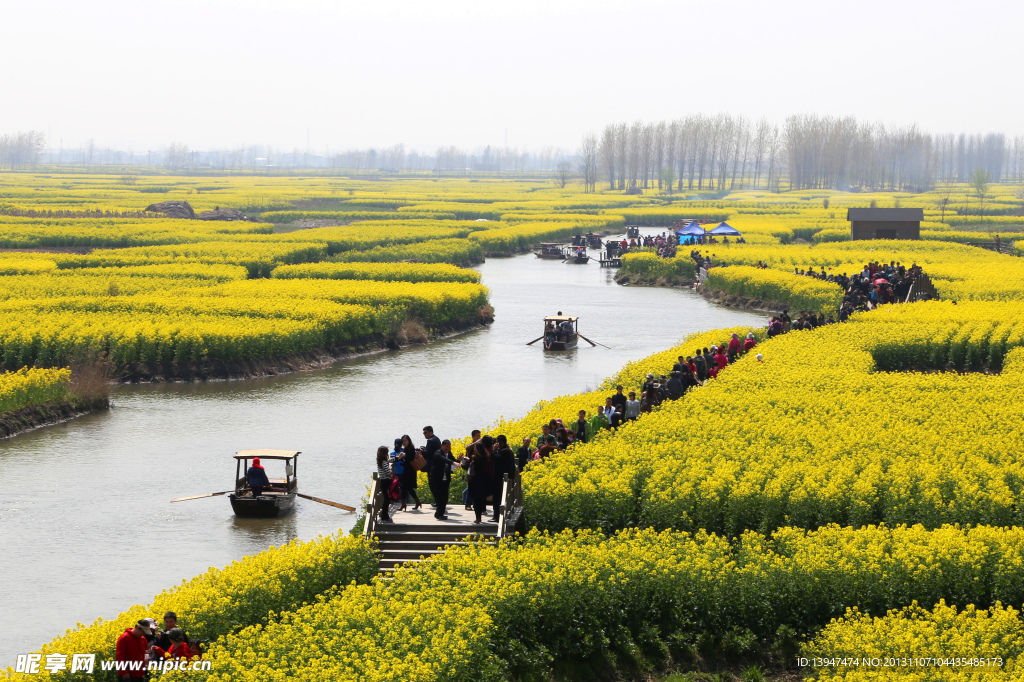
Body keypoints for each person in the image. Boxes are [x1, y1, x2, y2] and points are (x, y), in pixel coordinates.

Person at [464, 436, 494, 523]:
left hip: (475, 481)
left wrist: (464, 461)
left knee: (476, 500)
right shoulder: (486, 456)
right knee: (482, 498)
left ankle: (478, 518)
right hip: (484, 479)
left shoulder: (474, 457)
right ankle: (481, 514)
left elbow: (466, 467)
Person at [428, 439, 459, 520]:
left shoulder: (449, 453)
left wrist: (458, 460)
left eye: (449, 447)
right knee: (439, 498)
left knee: (445, 497)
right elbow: (445, 460)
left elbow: (453, 461)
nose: (448, 448)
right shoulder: (437, 453)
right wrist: (453, 463)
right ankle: (438, 514)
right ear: (442, 446)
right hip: (436, 479)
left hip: (445, 479)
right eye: (446, 446)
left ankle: (440, 513)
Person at [490, 435, 516, 521]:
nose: (496, 444)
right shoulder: (507, 450)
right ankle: (497, 515)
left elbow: (497, 459)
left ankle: (496, 516)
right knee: (500, 497)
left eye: (497, 442)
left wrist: (493, 450)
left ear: (501, 442)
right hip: (503, 478)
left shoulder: (504, 451)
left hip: (500, 479)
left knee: (497, 498)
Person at [398, 434, 422, 512]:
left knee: (407, 487)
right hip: (406, 470)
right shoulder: (405, 448)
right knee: (406, 487)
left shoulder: (411, 448)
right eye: (403, 441)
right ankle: (407, 504)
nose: (404, 442)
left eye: (406, 441)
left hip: (411, 471)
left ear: (409, 441)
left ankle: (406, 504)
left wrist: (403, 456)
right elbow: (405, 459)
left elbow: (410, 458)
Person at [375, 446, 393, 524]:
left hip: (383, 482)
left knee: (386, 499)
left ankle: (384, 515)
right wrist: (391, 469)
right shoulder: (384, 462)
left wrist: (394, 459)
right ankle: (385, 516)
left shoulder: (380, 461)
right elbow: (389, 472)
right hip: (386, 482)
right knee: (386, 500)